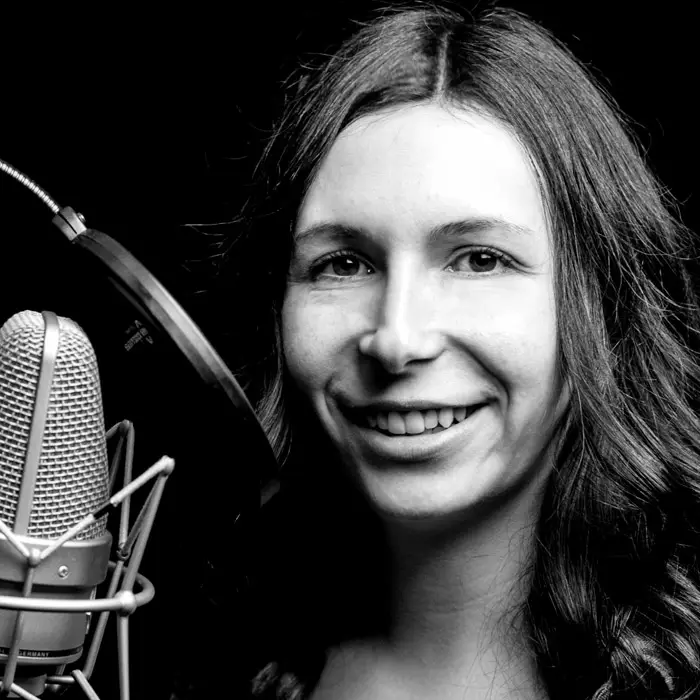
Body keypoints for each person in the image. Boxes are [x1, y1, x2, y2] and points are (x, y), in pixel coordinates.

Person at [203, 2, 700, 699]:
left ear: (600, 309)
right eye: (344, 264)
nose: (397, 339)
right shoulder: (214, 664)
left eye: (480, 259)